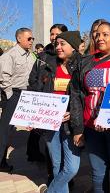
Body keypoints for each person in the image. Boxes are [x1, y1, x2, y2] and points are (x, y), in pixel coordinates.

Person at [70, 21, 110, 193]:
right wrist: (78, 128)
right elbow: (76, 96)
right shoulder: (85, 62)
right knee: (98, 172)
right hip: (91, 127)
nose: (99, 38)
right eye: (97, 35)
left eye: (105, 34)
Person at [29, 31, 83, 193]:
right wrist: (33, 114)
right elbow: (37, 89)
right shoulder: (48, 63)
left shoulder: (82, 65)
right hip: (50, 122)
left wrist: (73, 114)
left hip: (71, 124)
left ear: (73, 46)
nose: (58, 47)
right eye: (57, 44)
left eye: (62, 44)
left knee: (71, 168)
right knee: (56, 165)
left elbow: (83, 96)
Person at [27, 23, 68, 185]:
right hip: (47, 110)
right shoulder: (42, 57)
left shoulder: (73, 58)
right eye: (52, 34)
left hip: (67, 112)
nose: (53, 37)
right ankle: (54, 178)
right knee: (52, 149)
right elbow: (32, 80)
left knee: (67, 150)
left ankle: (64, 180)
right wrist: (42, 90)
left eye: (57, 34)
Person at [0, 28, 35, 172]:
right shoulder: (9, 55)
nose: (32, 41)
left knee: (14, 130)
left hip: (26, 95)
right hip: (13, 95)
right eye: (29, 39)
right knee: (5, 131)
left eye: (32, 38)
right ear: (19, 39)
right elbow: (3, 78)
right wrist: (10, 96)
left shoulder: (31, 56)